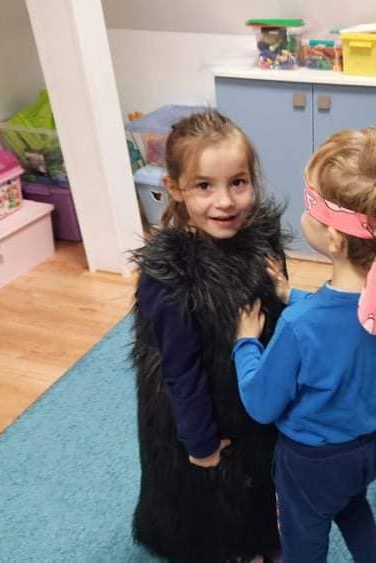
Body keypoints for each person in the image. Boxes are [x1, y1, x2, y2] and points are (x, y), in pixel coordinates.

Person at [232, 127, 376, 563]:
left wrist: (246, 343)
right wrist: (293, 294)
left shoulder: (298, 328)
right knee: (352, 507)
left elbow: (260, 403)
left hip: (311, 463)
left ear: (334, 237)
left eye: (309, 204)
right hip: (370, 445)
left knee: (303, 540)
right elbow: (347, 324)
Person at [130, 110, 286, 562]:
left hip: (253, 392)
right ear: (175, 187)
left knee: (257, 478)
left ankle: (257, 539)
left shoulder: (262, 241)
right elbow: (179, 371)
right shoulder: (170, 275)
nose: (225, 201)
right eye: (204, 186)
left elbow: (276, 316)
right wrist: (199, 443)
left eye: (238, 182)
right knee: (210, 492)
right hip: (202, 413)